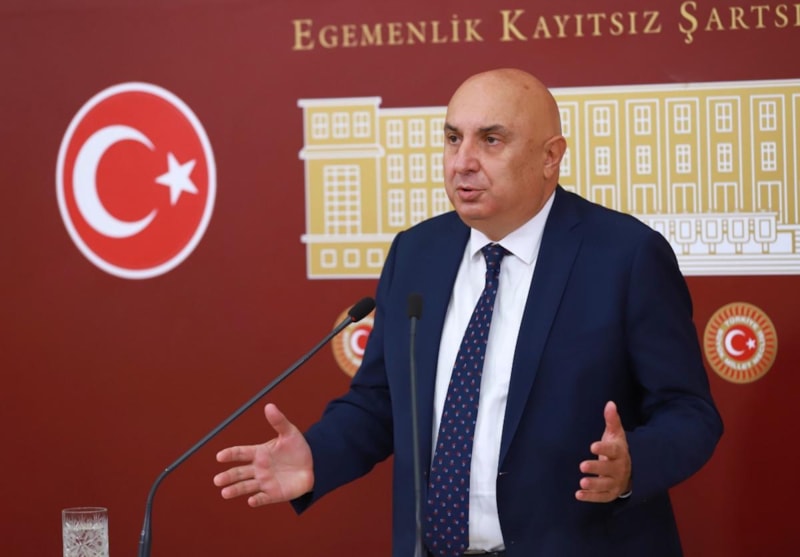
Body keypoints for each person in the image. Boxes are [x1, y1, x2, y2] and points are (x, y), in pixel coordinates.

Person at [214, 68, 723, 557]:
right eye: (453, 138)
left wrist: (632, 466)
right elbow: (382, 400)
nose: (462, 162)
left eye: (491, 140)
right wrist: (318, 455)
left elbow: (690, 412)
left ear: (550, 156)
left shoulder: (625, 256)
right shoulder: (416, 253)